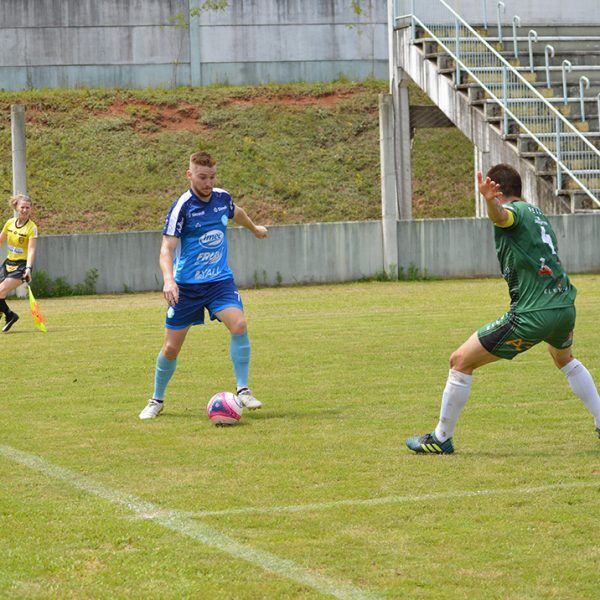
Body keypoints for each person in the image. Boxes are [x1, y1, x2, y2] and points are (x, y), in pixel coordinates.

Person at [406, 163, 600, 454]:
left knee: (459, 360)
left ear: (496, 189)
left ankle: (441, 437)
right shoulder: (536, 214)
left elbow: (502, 217)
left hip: (532, 314)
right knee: (564, 358)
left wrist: (489, 202)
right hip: (563, 305)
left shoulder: (514, 213)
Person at [139, 151, 268, 420]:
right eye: (202, 177)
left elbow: (238, 213)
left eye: (211, 177)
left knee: (239, 324)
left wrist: (254, 229)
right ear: (189, 175)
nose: (208, 183)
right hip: (186, 287)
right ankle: (156, 399)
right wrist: (168, 280)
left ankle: (243, 390)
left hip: (219, 281)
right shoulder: (182, 207)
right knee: (171, 348)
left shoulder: (222, 198)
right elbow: (167, 247)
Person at [0, 194, 38, 333]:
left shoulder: (31, 228)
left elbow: (31, 250)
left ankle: (10, 316)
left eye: (27, 207)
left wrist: (28, 268)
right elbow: (1, 240)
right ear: (16, 207)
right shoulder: (10, 223)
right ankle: (8, 315)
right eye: (22, 207)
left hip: (21, 266)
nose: (25, 210)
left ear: (31, 209)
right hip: (8, 263)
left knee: (0, 291)